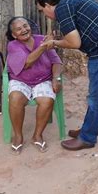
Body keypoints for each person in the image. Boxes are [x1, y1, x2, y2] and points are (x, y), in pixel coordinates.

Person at [35, 0, 98, 151]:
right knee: (94, 95)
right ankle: (87, 129)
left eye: (42, 11)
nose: (45, 15)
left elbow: (74, 43)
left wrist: (53, 43)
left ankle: (88, 138)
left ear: (48, 5)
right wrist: (57, 38)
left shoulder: (63, 9)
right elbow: (76, 33)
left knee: (96, 97)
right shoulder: (70, 3)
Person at [5, 16, 62, 154]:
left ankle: (37, 135)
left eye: (25, 26)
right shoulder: (13, 45)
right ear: (14, 35)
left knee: (47, 100)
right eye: (18, 29)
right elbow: (27, 63)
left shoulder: (41, 39)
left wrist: (56, 78)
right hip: (21, 80)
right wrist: (43, 46)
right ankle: (18, 136)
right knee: (15, 98)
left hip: (43, 79)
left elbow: (57, 61)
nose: (24, 30)